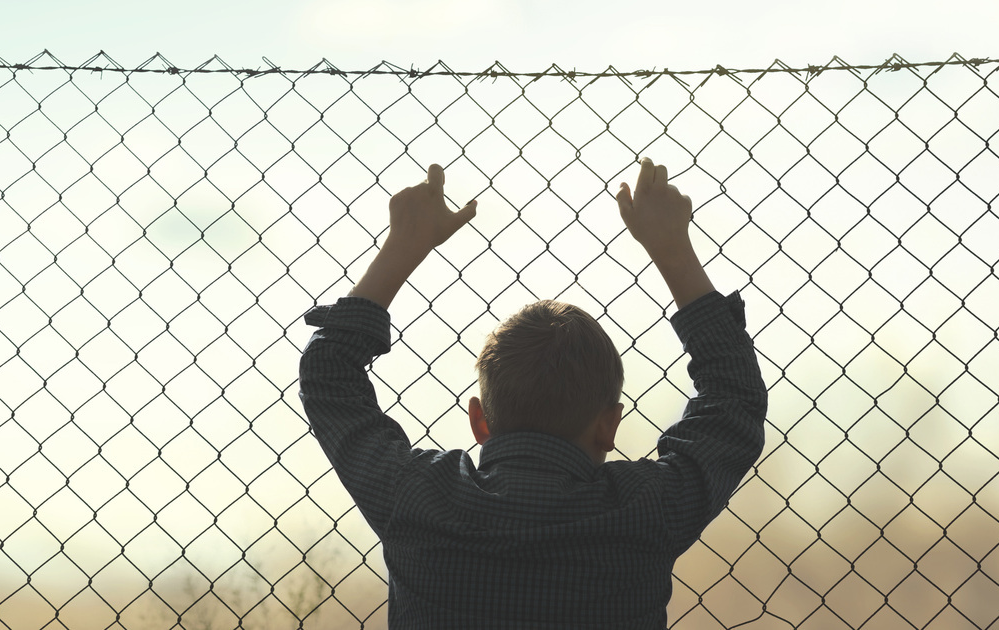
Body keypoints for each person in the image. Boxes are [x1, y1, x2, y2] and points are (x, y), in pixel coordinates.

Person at [299, 158, 767, 628]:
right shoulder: (646, 510)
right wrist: (672, 249)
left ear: (479, 420)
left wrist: (402, 246)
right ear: (609, 425)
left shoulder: (417, 497)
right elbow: (734, 399)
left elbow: (328, 376)